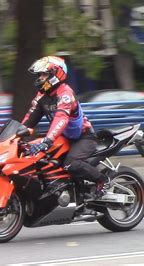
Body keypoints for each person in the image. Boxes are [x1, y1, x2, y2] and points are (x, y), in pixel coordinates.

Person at [22, 56, 110, 197]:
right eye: (39, 75)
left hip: (84, 137)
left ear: (56, 74)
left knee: (71, 163)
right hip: (62, 138)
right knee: (40, 161)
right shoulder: (41, 96)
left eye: (44, 74)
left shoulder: (65, 94)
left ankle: (102, 180)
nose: (40, 78)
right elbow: (28, 120)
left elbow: (61, 119)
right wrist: (14, 136)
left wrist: (47, 140)